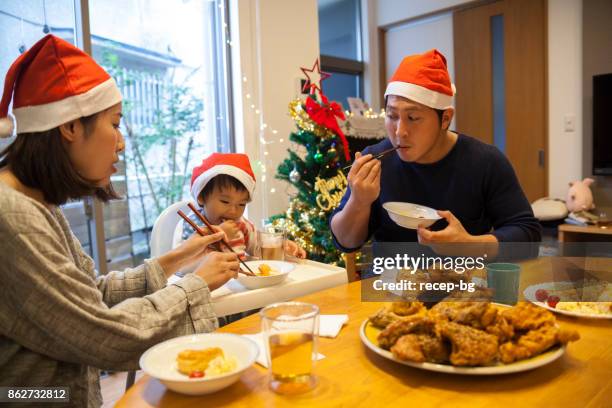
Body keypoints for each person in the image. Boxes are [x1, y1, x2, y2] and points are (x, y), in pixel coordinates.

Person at [0, 35, 239, 407]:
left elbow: (87, 294)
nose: (122, 143)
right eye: (115, 123)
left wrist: (177, 258)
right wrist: (196, 284)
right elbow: (99, 334)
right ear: (70, 127)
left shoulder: (37, 203)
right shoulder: (11, 216)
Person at [330, 49, 541, 253]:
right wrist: (359, 201)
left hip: (462, 284)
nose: (400, 131)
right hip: (388, 285)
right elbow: (345, 242)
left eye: (413, 118)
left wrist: (470, 245)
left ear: (446, 119)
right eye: (392, 116)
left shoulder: (485, 161)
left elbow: (527, 233)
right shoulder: (375, 160)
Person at [180, 153, 306, 260]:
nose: (233, 211)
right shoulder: (191, 224)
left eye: (241, 204)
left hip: (241, 285)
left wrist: (282, 247)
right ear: (201, 197)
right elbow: (183, 264)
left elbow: (258, 248)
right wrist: (220, 238)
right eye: (225, 201)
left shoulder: (241, 225)